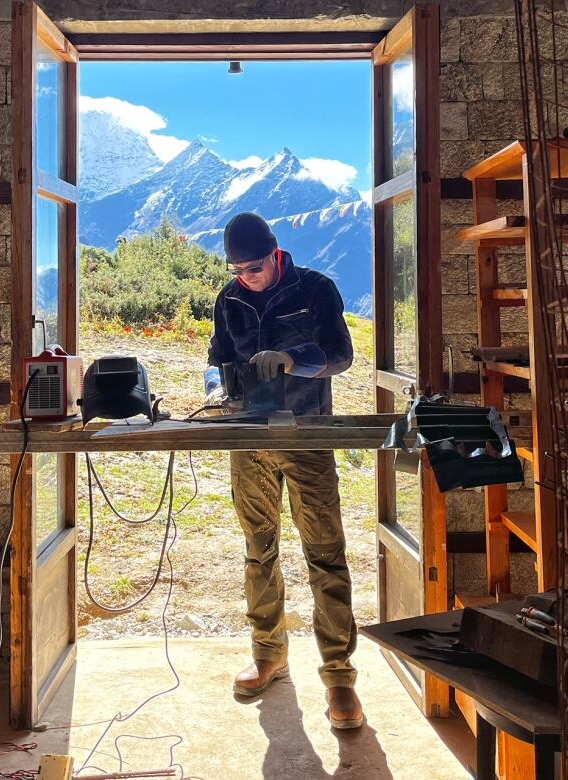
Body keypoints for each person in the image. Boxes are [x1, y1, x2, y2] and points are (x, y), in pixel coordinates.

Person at [204, 211, 363, 729]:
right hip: (247, 436)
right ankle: (268, 653)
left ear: (275, 254)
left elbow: (341, 355)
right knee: (259, 550)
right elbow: (216, 356)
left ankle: (339, 676)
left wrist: (294, 360)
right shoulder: (228, 299)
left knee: (325, 552)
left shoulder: (315, 288)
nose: (244, 277)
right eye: (236, 270)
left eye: (252, 267)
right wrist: (214, 386)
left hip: (306, 433)